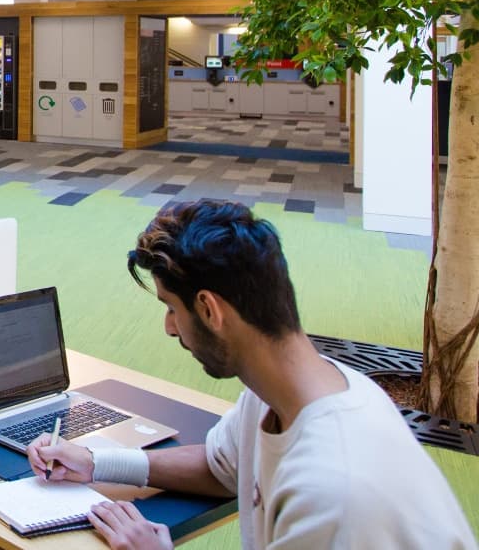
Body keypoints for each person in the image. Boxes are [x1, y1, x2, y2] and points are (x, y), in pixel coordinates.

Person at [25, 200, 475, 549]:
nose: (168, 328)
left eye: (171, 309)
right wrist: (97, 462)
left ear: (209, 310)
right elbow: (220, 466)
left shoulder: (334, 495)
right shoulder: (287, 389)